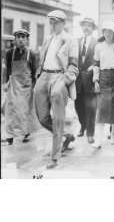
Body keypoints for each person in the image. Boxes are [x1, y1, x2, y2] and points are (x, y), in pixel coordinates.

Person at [34, 10, 79, 169]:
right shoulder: (48, 38)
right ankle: (66, 135)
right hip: (44, 75)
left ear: (63, 23)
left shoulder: (70, 40)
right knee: (42, 116)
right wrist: (39, 76)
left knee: (58, 118)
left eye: (55, 21)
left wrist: (65, 80)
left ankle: (54, 157)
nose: (52, 24)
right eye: (50, 21)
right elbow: (41, 59)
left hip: (59, 76)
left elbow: (74, 65)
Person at [3, 29, 38, 145]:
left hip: (27, 86)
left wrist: (34, 85)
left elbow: (34, 71)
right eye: (18, 37)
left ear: (27, 39)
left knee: (24, 110)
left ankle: (26, 131)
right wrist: (5, 83)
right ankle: (10, 135)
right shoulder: (9, 53)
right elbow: (7, 70)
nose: (21, 39)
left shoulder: (31, 53)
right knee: (10, 109)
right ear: (15, 39)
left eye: (23, 37)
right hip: (13, 85)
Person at [92, 21, 114, 148]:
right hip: (103, 77)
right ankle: (98, 139)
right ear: (103, 33)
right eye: (106, 31)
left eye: (110, 32)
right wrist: (96, 80)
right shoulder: (99, 47)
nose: (108, 34)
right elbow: (96, 64)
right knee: (102, 108)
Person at [75, 17, 98, 143]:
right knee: (78, 106)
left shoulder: (97, 42)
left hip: (90, 80)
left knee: (91, 107)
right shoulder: (76, 42)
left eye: (89, 25)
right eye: (84, 25)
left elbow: (98, 59)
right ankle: (83, 125)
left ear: (93, 28)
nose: (86, 28)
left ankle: (90, 133)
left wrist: (94, 66)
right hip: (77, 80)